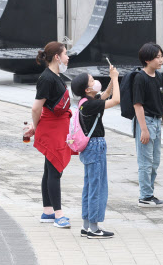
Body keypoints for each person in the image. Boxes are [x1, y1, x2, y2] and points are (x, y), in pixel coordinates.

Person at [25, 42, 73, 228]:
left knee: (49, 169)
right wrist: (36, 128)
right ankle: (58, 215)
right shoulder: (47, 78)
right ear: (57, 57)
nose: (67, 57)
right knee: (55, 171)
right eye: (65, 54)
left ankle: (47, 211)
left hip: (57, 128)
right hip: (51, 129)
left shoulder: (55, 76)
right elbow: (36, 108)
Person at [70, 65, 120, 239]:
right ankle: (94, 227)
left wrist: (111, 81)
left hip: (88, 148)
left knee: (90, 186)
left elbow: (105, 96)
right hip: (95, 146)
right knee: (97, 188)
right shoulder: (91, 105)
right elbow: (115, 101)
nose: (95, 81)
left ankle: (86, 225)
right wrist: (115, 78)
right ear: (87, 89)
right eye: (92, 80)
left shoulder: (84, 103)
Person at [133, 42, 163, 208]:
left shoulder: (159, 76)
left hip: (156, 120)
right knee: (145, 161)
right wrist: (143, 129)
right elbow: (138, 105)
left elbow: (162, 101)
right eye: (157, 57)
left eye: (161, 56)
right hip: (146, 121)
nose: (161, 60)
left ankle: (150, 194)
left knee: (155, 161)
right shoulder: (140, 78)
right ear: (147, 60)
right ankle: (145, 196)